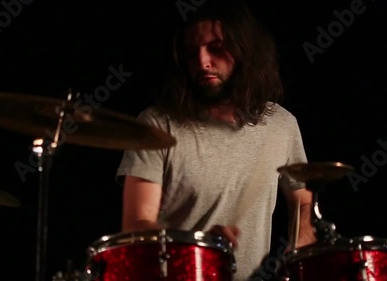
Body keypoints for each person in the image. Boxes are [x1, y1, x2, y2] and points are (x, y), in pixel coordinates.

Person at [116, 1, 316, 280]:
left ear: (246, 51)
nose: (202, 62)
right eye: (191, 53)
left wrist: (303, 235)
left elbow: (303, 199)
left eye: (216, 48)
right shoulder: (157, 125)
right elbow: (135, 224)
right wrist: (195, 245)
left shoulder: (281, 125)